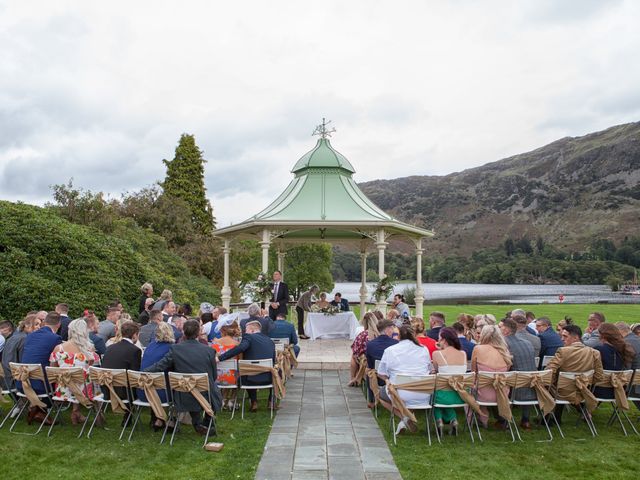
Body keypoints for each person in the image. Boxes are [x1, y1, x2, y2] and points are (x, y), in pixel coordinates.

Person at [145, 320, 221, 434]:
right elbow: (214, 375)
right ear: (199, 332)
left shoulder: (175, 349)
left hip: (183, 393)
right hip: (206, 393)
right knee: (213, 389)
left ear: (183, 332)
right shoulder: (209, 350)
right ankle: (205, 422)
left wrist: (143, 372)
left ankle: (198, 423)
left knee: (192, 390)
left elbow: (160, 365)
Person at [378, 326, 432, 434]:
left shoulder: (390, 350)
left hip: (400, 394)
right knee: (409, 396)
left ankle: (405, 417)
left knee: (380, 395)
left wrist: (387, 378)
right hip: (423, 393)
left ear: (398, 336)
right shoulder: (423, 349)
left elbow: (381, 373)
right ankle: (407, 417)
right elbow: (429, 369)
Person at [545, 324, 604, 422]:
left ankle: (545, 419)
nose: (562, 339)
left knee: (545, 385)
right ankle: (580, 413)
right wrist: (586, 383)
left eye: (565, 336)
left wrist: (552, 381)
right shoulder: (594, 352)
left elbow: (549, 370)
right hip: (584, 390)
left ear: (576, 337)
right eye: (561, 336)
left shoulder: (563, 351)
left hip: (562, 392)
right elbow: (599, 376)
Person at [218, 320, 276, 413]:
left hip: (249, 379)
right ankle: (271, 401)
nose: (244, 332)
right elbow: (274, 359)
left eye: (246, 330)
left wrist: (221, 358)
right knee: (277, 371)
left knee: (246, 372)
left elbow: (241, 348)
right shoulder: (270, 341)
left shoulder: (248, 337)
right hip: (269, 378)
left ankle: (254, 402)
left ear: (252, 330)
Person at [49, 319, 99, 424]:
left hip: (63, 389)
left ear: (70, 331)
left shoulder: (59, 348)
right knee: (92, 381)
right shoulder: (89, 350)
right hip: (84, 390)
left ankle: (76, 412)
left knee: (74, 379)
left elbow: (52, 369)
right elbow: (92, 370)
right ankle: (97, 414)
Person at [20, 312, 63, 424]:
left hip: (23, 383)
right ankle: (41, 410)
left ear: (44, 322)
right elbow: (57, 362)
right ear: (59, 324)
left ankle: (38, 410)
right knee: (60, 377)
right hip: (41, 386)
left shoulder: (30, 336)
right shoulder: (55, 338)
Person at [471, 325, 512, 428]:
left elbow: (473, 373)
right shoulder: (504, 350)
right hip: (502, 393)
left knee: (468, 388)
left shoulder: (478, 348)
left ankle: (481, 417)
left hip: (484, 394)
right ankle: (493, 417)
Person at [138, 322, 174, 430]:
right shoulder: (171, 348)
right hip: (161, 395)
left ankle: (157, 418)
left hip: (143, 391)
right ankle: (170, 420)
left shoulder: (150, 346)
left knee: (159, 381)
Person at [501, 318, 536, 430]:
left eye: (500, 327)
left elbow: (505, 367)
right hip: (532, 383)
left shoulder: (504, 343)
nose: (499, 329)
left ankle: (503, 420)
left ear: (506, 330)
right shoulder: (527, 343)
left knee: (498, 382)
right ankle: (525, 420)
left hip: (516, 385)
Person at [431, 327, 467, 435]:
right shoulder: (463, 353)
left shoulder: (437, 354)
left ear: (444, 340)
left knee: (433, 394)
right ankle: (453, 419)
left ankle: (439, 421)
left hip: (442, 396)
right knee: (443, 392)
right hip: (461, 396)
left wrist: (439, 350)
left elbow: (436, 371)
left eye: (439, 339)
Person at [592, 323, 635, 400]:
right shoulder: (623, 350)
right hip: (618, 391)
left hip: (597, 391)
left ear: (603, 336)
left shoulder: (598, 350)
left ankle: (584, 409)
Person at [2, 314, 42, 383]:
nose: (39, 327)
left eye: (40, 325)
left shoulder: (15, 336)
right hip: (15, 379)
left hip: (6, 378)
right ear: (27, 325)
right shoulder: (24, 339)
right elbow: (23, 362)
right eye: (36, 324)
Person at [212, 321, 241, 410]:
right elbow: (240, 362)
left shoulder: (215, 343)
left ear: (222, 330)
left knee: (225, 371)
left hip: (216, 378)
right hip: (232, 378)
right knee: (237, 372)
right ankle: (232, 401)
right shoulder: (237, 345)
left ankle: (223, 400)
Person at [348, 312, 379, 386]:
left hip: (366, 359)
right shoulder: (379, 333)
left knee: (354, 355)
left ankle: (353, 377)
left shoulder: (363, 334)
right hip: (377, 358)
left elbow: (356, 349)